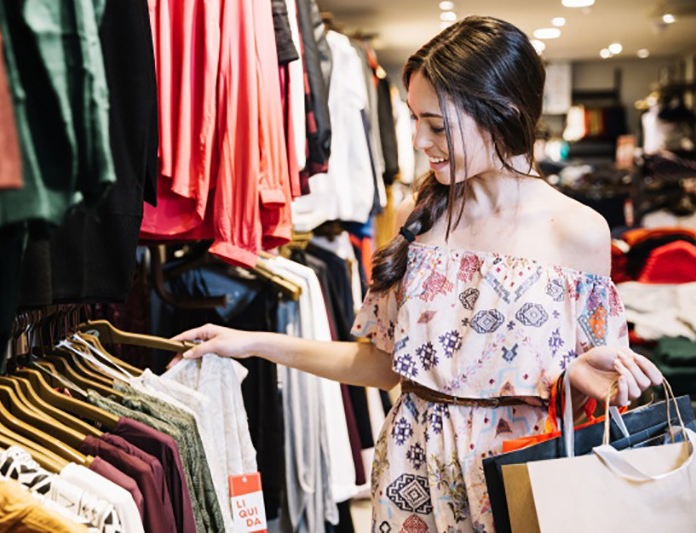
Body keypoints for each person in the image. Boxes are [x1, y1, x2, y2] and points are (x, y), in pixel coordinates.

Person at [171, 15, 663, 533]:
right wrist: (250, 342)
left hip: (521, 478)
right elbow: (384, 366)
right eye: (413, 120)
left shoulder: (579, 232)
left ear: (505, 112)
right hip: (411, 476)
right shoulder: (421, 216)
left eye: (437, 125)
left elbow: (598, 396)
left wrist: (581, 381)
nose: (419, 141)